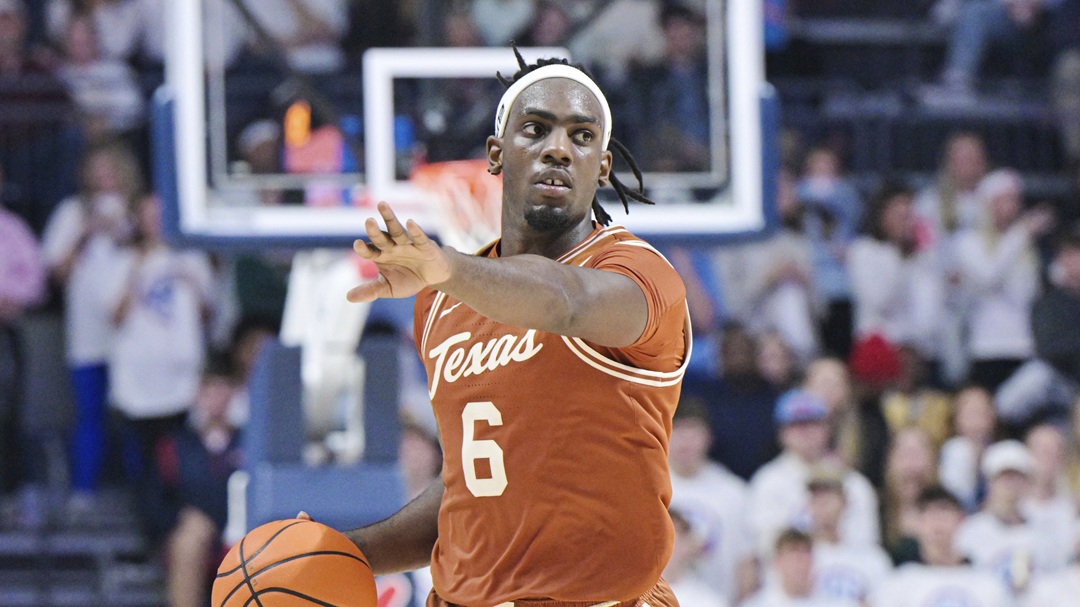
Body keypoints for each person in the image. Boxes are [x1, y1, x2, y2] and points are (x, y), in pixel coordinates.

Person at [322, 49, 690, 607]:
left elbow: (565, 301)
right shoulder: (442, 307)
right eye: (536, 130)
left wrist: (445, 267)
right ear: (497, 154)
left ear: (604, 166)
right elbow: (472, 487)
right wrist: (343, 553)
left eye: (582, 136)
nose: (559, 149)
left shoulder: (638, 274)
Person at [41, 139, 142, 508]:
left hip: (136, 336)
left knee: (137, 416)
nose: (103, 176)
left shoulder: (137, 210)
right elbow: (55, 272)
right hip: (87, 336)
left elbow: (156, 256)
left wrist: (125, 233)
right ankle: (84, 490)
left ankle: (140, 493)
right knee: (89, 414)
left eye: (110, 167)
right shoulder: (72, 211)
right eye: (96, 168)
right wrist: (87, 231)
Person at [748, 389, 880, 558]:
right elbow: (765, 546)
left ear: (827, 428)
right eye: (796, 424)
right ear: (782, 433)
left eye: (813, 423)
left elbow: (866, 545)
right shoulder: (767, 482)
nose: (805, 432)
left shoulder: (853, 483)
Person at [952, 169, 1053, 392]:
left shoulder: (1024, 247)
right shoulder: (968, 243)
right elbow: (989, 277)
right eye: (1003, 199)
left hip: (1022, 346)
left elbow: (1027, 296)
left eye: (1015, 199)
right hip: (986, 348)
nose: (1011, 205)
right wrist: (1021, 234)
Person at [668, 397, 756, 604]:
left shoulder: (733, 492)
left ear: (708, 437)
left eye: (693, 431)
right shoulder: (648, 489)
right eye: (678, 430)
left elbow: (746, 563)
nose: (685, 440)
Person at [955, 440, 1071, 596]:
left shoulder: (1044, 532)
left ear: (1027, 482)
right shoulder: (971, 531)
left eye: (1017, 477)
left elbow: (1058, 581)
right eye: (1004, 477)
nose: (1010, 485)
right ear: (990, 482)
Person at [871, 485, 1011, 607]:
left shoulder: (986, 583)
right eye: (930, 515)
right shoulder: (900, 582)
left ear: (961, 520)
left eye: (944, 514)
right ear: (917, 523)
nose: (938, 523)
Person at [0, 165, 46, 525]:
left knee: (7, 412)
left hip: (4, 332)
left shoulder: (11, 228)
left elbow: (35, 280)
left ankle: (10, 495)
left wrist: (8, 298)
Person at [806, 463, 893, 606]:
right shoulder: (799, 557)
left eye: (830, 495)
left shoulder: (872, 559)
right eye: (817, 497)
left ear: (845, 502)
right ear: (808, 504)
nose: (823, 503)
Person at [742, 528, 858, 607]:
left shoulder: (836, 603)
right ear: (776, 561)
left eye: (805, 553)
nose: (800, 562)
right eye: (793, 554)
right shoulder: (757, 604)